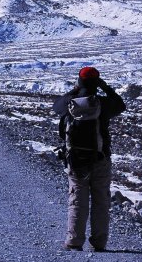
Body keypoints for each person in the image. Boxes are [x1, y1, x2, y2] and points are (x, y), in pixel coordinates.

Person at [53, 66, 125, 251]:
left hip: (76, 161)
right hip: (100, 159)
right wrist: (105, 88)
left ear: (80, 81)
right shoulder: (102, 103)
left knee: (77, 200)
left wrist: (75, 90)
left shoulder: (70, 103)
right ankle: (99, 243)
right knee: (101, 201)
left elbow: (56, 106)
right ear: (97, 82)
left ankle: (74, 241)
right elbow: (120, 104)